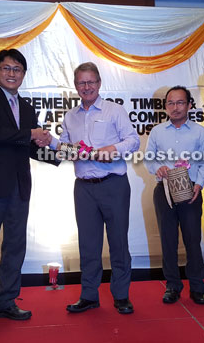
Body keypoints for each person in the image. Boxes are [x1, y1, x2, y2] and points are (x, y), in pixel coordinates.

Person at [0, 49, 57, 330]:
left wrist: (61, 153)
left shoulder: (28, 107)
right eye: (6, 68)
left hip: (19, 187)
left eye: (17, 69)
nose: (11, 73)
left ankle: (6, 301)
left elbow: (30, 147)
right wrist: (32, 134)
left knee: (15, 247)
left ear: (23, 74)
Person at [53, 62, 140, 314]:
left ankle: (121, 295)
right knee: (88, 244)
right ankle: (89, 295)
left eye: (91, 82)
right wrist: (54, 143)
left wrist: (111, 150)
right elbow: (67, 150)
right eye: (82, 82)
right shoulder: (70, 116)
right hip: (84, 188)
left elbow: (133, 141)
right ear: (76, 85)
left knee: (118, 243)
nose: (87, 87)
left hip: (114, 184)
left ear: (99, 83)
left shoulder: (115, 111)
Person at [144, 86, 204, 305]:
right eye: (170, 103)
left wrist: (199, 185)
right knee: (168, 241)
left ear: (189, 105)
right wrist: (157, 168)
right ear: (165, 106)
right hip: (164, 191)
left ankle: (198, 288)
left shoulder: (200, 132)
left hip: (191, 191)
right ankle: (172, 286)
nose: (175, 107)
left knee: (193, 240)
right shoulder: (157, 131)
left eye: (180, 102)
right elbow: (148, 159)